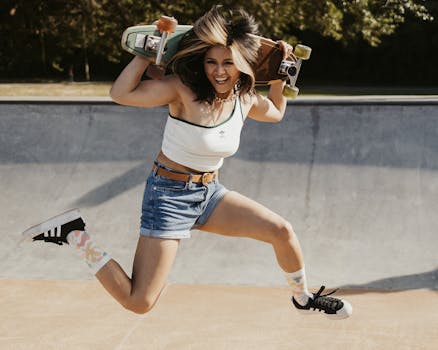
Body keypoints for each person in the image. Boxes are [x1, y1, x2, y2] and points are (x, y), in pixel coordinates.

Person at [23, 5, 352, 319]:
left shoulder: (245, 98)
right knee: (140, 302)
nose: (219, 71)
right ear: (202, 62)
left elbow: (277, 112)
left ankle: (303, 297)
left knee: (281, 231)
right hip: (167, 197)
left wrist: (280, 70)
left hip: (210, 195)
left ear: (242, 63)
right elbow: (121, 94)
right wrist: (145, 53)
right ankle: (74, 235)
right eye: (211, 62)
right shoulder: (182, 90)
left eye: (228, 62)